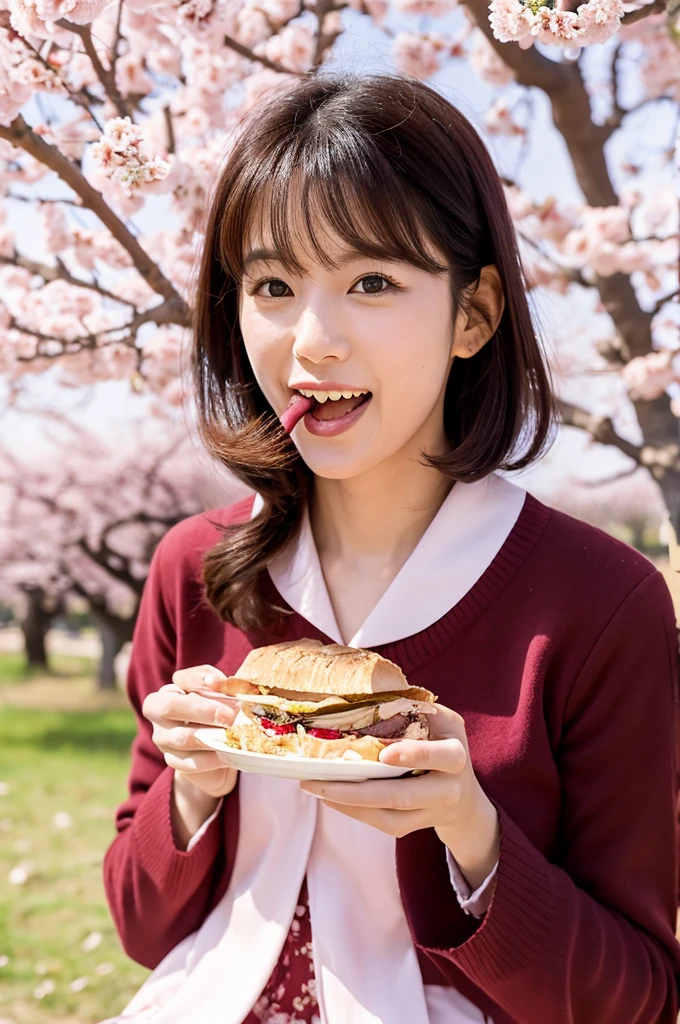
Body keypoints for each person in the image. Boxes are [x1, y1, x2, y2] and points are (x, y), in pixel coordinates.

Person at [102, 73, 680, 1024]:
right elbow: (138, 926)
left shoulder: (599, 602)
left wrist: (472, 832)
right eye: (274, 286)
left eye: (372, 282)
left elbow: (641, 999)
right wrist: (192, 791)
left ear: (474, 314)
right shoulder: (199, 568)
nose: (312, 342)